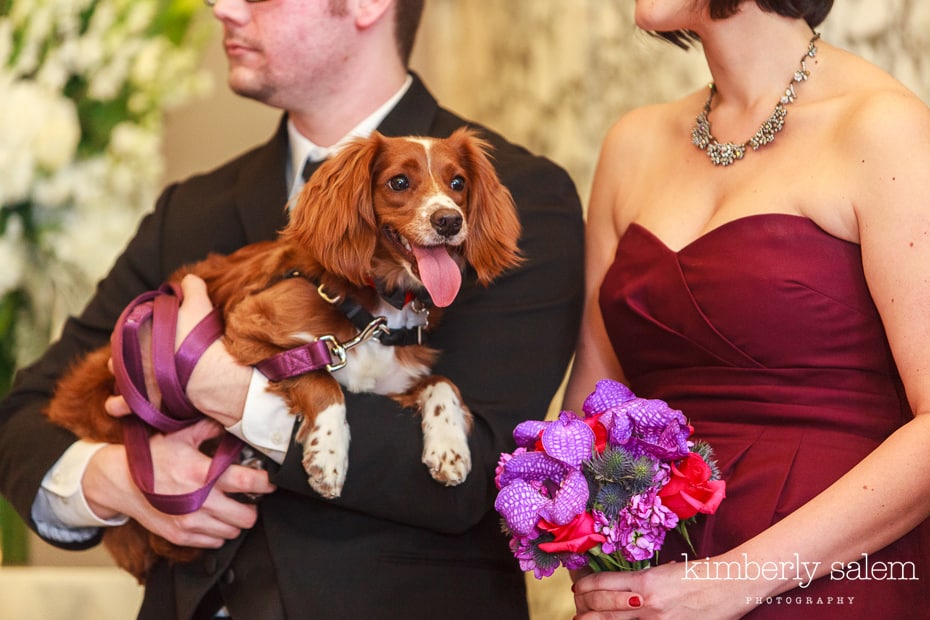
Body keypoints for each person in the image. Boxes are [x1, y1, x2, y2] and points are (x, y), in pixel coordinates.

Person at [0, 1, 585, 618]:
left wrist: (234, 394)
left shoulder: (513, 195)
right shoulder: (191, 206)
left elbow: (490, 470)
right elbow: (22, 416)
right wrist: (115, 477)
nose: (221, 8)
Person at [565, 0, 930, 618]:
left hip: (836, 575)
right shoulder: (632, 143)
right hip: (659, 582)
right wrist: (598, 561)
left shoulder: (882, 128)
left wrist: (734, 581)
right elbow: (592, 407)